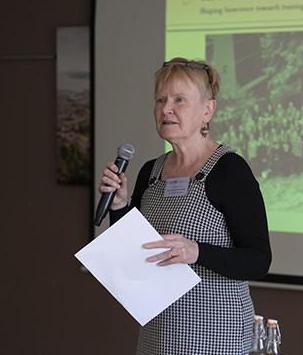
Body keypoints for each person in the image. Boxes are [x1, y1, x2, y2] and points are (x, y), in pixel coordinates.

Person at [98, 57, 272, 355]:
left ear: (207, 111)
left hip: (217, 335)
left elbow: (258, 260)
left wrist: (197, 252)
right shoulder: (150, 171)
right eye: (160, 100)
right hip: (158, 335)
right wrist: (119, 206)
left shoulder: (230, 170)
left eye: (179, 100)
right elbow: (139, 249)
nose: (166, 109)